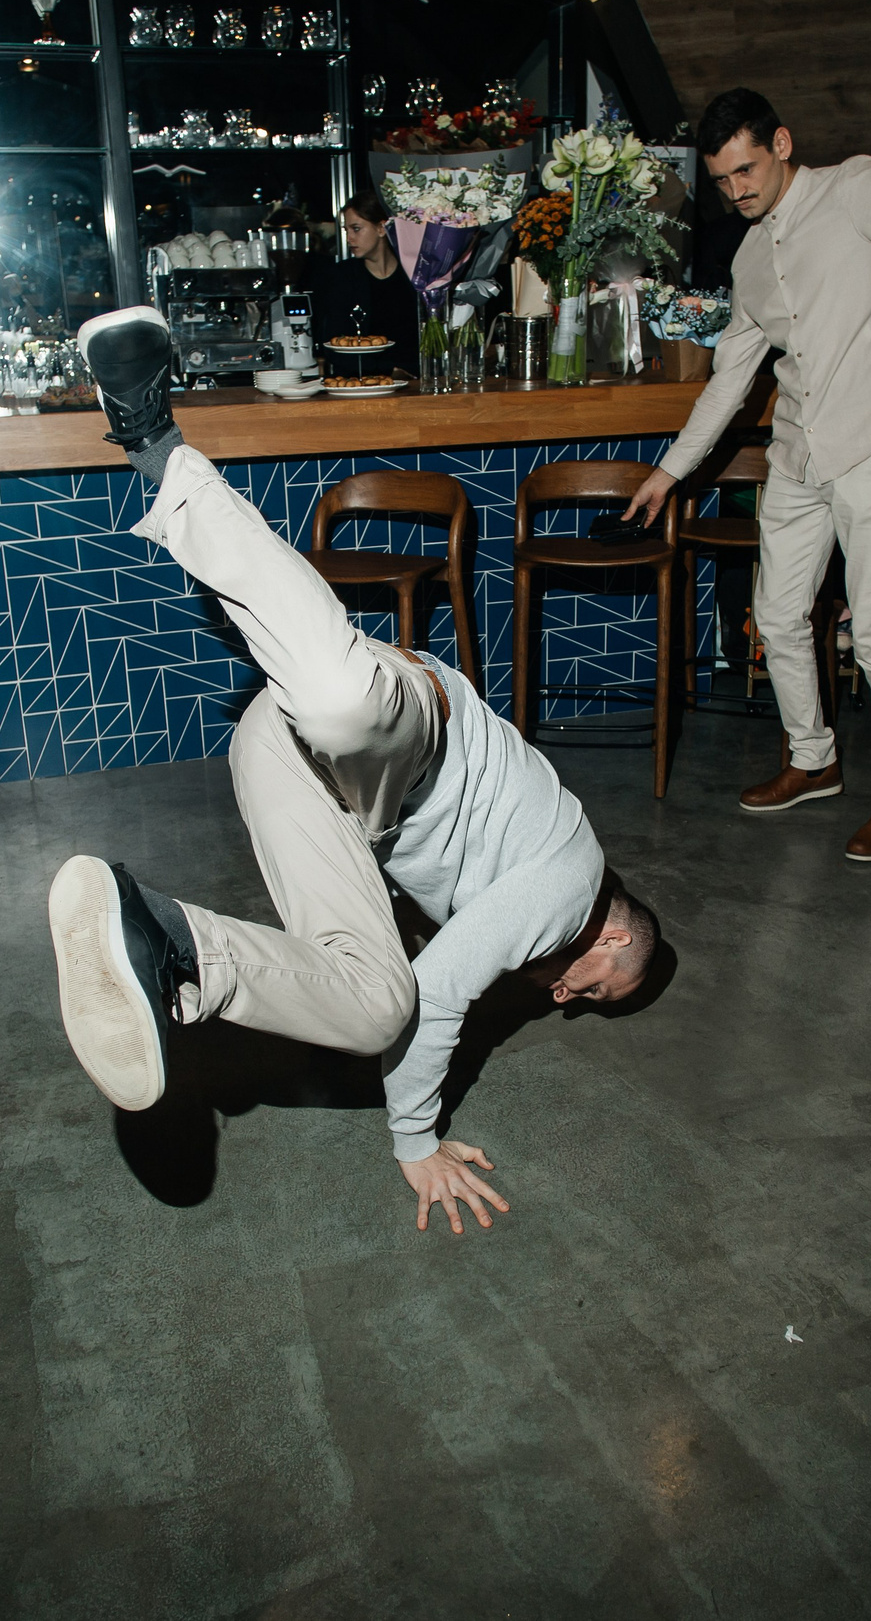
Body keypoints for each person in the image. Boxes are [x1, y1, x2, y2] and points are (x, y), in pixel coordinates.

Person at [47, 305, 660, 1235]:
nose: (568, 1000)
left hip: (316, 783)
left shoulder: (526, 888)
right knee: (337, 699)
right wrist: (416, 1139)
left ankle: (169, 943)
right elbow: (447, 990)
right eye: (598, 988)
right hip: (411, 730)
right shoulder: (573, 886)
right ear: (613, 936)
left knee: (379, 1008)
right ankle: (150, 436)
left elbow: (418, 987)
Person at [626, 88, 871, 864]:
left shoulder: (856, 190)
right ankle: (813, 758)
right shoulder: (749, 257)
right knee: (778, 612)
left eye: (747, 169)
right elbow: (730, 380)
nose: (738, 191)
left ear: (782, 144)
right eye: (723, 181)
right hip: (796, 453)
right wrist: (669, 472)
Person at [312, 191, 418, 377]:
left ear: (381, 228)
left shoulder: (414, 274)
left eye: (356, 229)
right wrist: (386, 371)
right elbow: (332, 345)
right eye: (346, 230)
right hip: (358, 381)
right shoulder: (342, 276)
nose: (349, 238)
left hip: (414, 381)